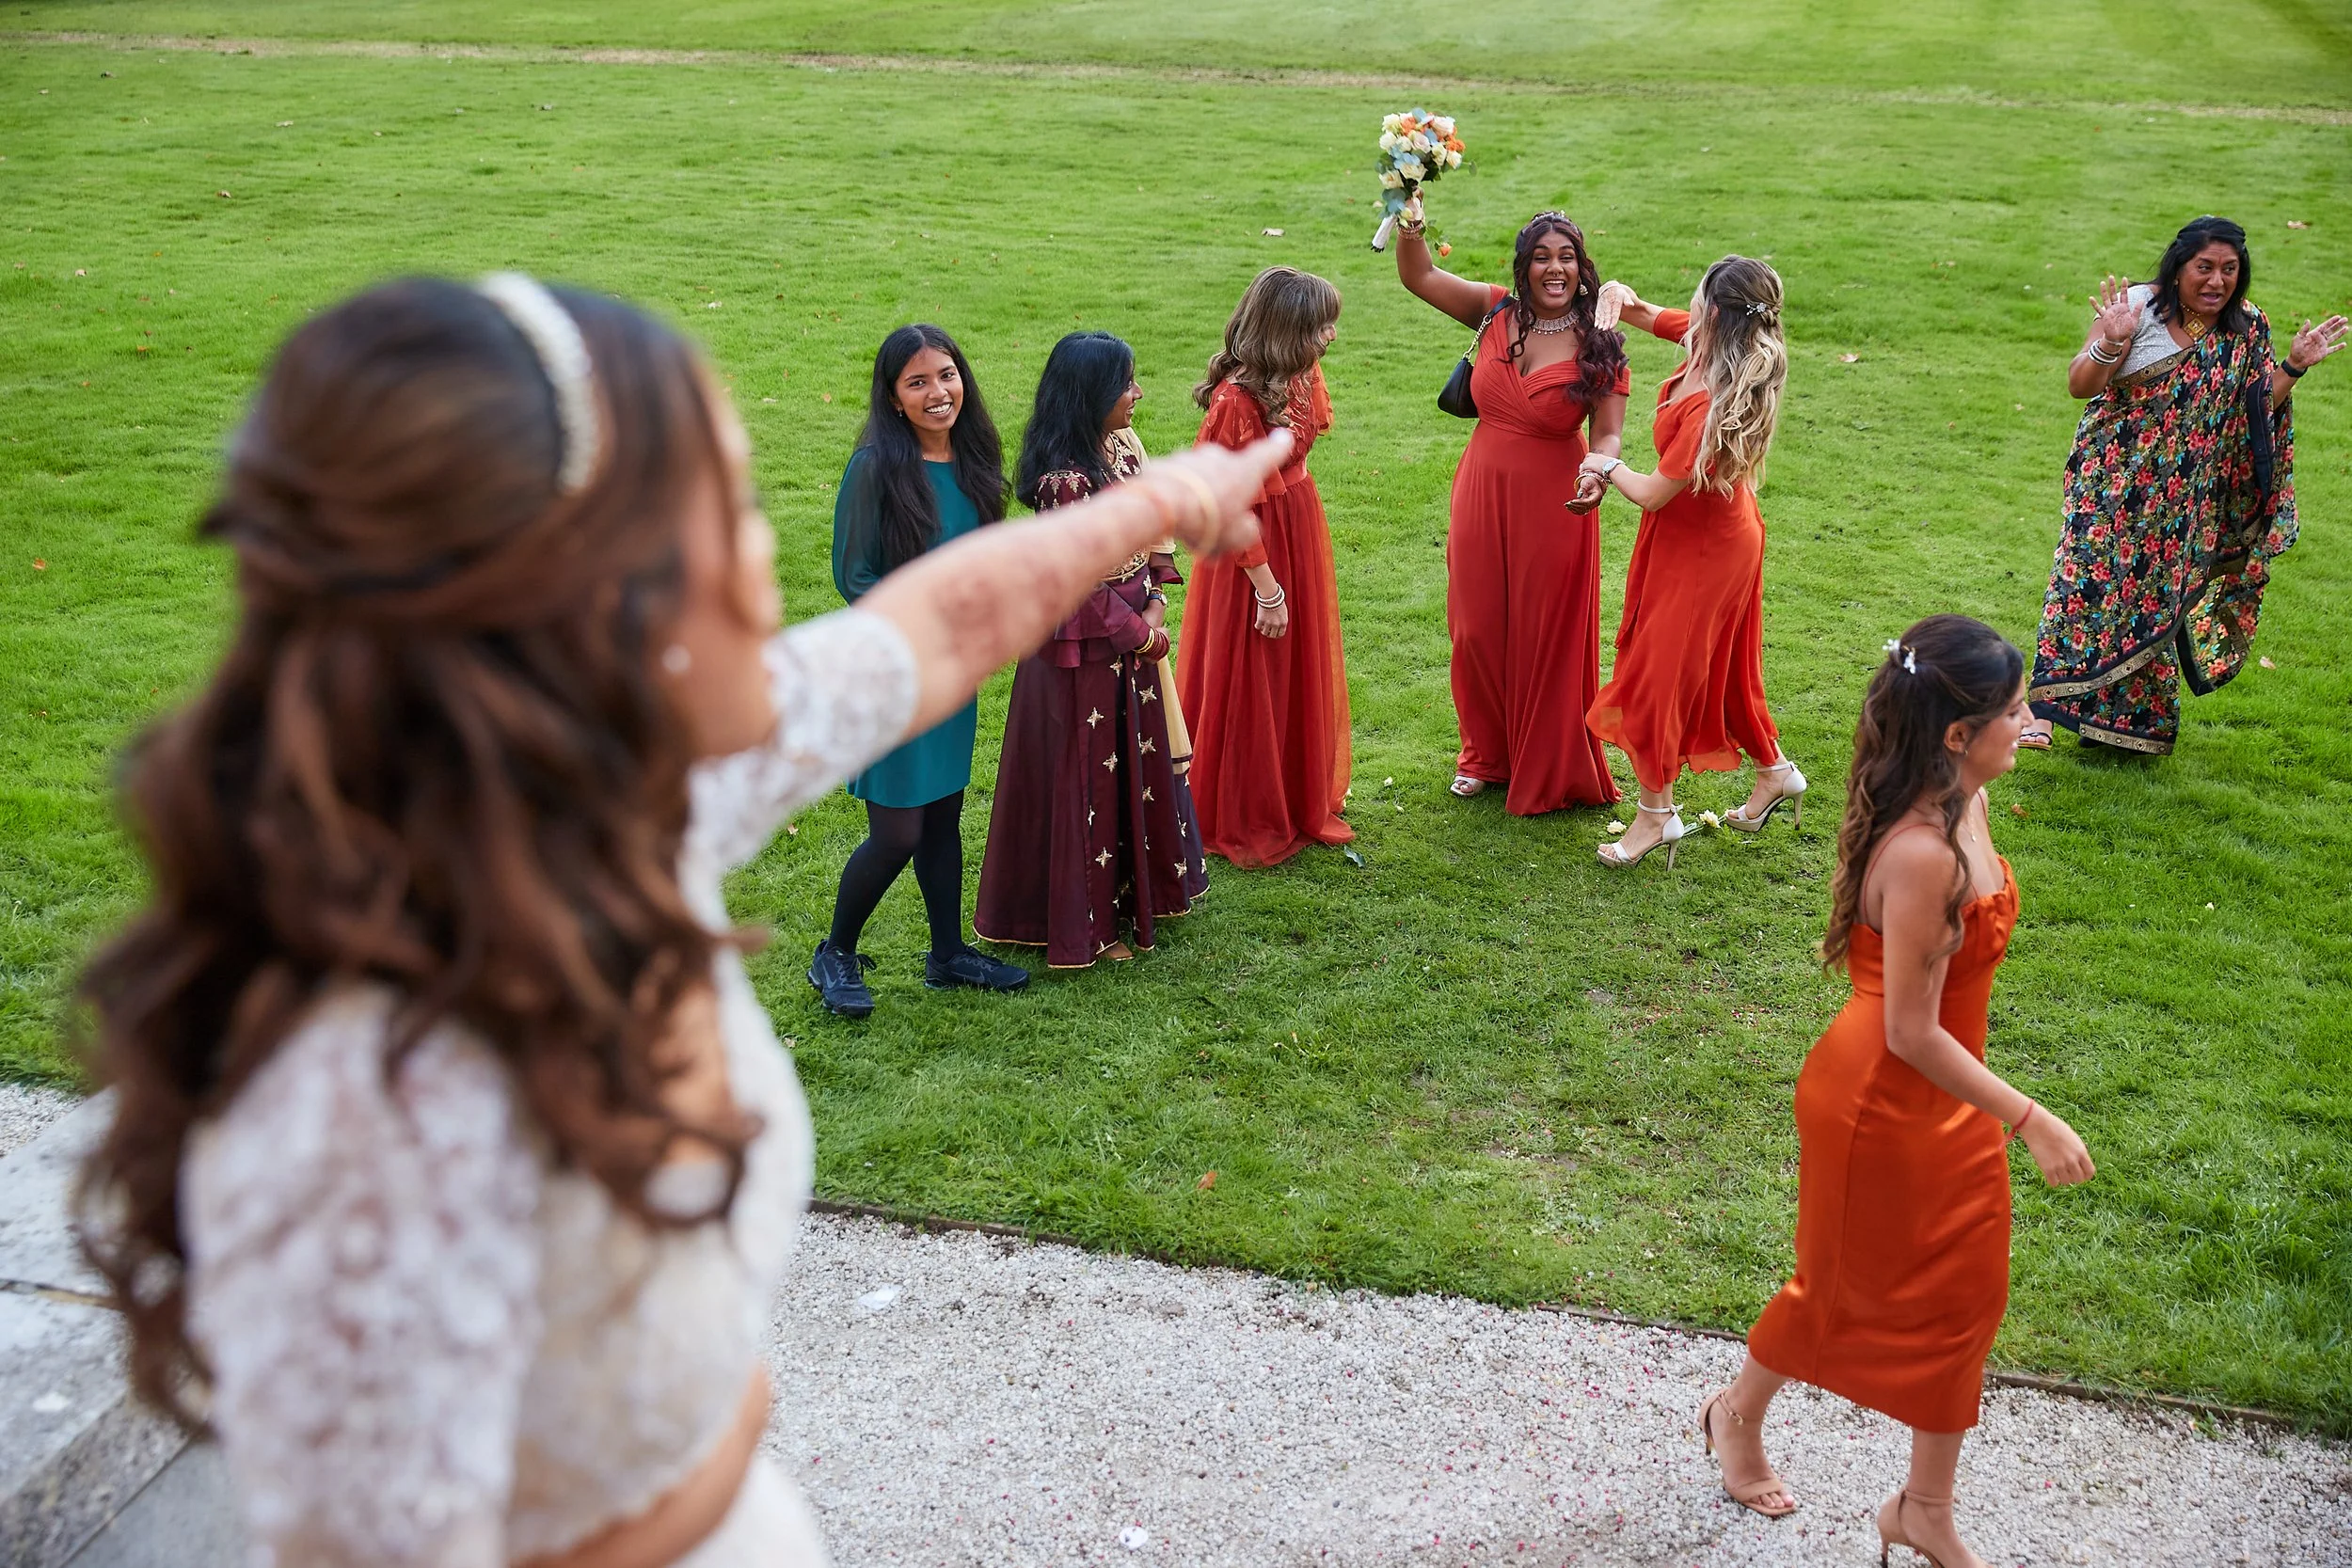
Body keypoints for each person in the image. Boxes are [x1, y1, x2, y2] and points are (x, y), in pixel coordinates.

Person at [73, 273, 1289, 1568]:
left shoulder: (622, 793)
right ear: (583, 594)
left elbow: (940, 622)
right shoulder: (361, 1109)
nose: (766, 550)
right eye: (725, 506)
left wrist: (1166, 502)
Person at [1700, 615, 2095, 1568]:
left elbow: (1942, 1011)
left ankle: (1923, 1506)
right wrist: (2031, 1115)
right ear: (1955, 735)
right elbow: (1908, 1030)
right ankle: (1732, 1416)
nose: (2026, 723)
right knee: (1833, 1287)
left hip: (1944, 1091)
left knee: (1966, 1294)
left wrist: (2000, 746)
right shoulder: (1922, 851)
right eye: (2011, 711)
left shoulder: (1963, 792)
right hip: (1880, 1098)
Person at [2022, 215, 2344, 754]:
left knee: (2153, 595)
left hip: (2185, 497)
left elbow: (2255, 412)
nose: (2216, 281)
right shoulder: (2136, 309)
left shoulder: (2246, 326)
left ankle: (2126, 724)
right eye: (2205, 268)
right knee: (2083, 585)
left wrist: (2293, 366)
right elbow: (2081, 384)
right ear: (2179, 267)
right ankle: (2042, 712)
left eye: (2229, 270)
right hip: (2112, 479)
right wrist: (2112, 342)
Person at [810, 324, 1028, 1018]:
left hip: (953, 672)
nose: (938, 392)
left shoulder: (974, 456)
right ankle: (835, 951)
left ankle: (947, 954)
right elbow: (855, 574)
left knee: (943, 816)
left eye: (947, 375)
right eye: (918, 382)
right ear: (894, 397)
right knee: (897, 831)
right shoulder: (875, 466)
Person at [975, 331, 1208, 967]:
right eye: (1124, 384)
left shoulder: (1122, 447)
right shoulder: (1065, 481)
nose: (1137, 394)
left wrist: (1158, 595)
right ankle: (1088, 924)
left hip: (1129, 637)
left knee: (1132, 764)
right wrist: (1142, 633)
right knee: (1089, 779)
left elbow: (1155, 521)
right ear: (1088, 397)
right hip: (1082, 653)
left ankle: (1136, 897)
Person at [1393, 202, 1629, 813]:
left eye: (1567, 258)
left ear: (1582, 267)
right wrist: (1410, 218)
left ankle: (1542, 758)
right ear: (1523, 268)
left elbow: (1607, 433)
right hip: (1482, 485)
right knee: (1474, 626)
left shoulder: (1600, 341)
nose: (1556, 269)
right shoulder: (1494, 308)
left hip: (1556, 497)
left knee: (1542, 631)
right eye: (1543, 258)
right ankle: (1483, 753)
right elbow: (1419, 276)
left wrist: (1598, 472)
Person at [1580, 258, 1801, 869]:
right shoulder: (1708, 341)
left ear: (1720, 314)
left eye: (1700, 298)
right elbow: (1648, 314)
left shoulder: (1712, 405)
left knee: (1656, 675)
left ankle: (1656, 813)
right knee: (1724, 669)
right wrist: (1619, 295)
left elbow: (1651, 492)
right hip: (1703, 534)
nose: (1690, 307)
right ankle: (1775, 773)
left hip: (1709, 547)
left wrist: (1602, 464)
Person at [1179, 265, 1354, 867]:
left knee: (1291, 666)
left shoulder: (1299, 373)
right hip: (1250, 548)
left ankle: (1291, 789)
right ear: (1284, 331)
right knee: (1252, 666)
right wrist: (1268, 589)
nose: (1330, 337)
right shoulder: (1236, 399)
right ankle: (1245, 804)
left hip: (1295, 520)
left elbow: (1308, 436)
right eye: (1319, 327)